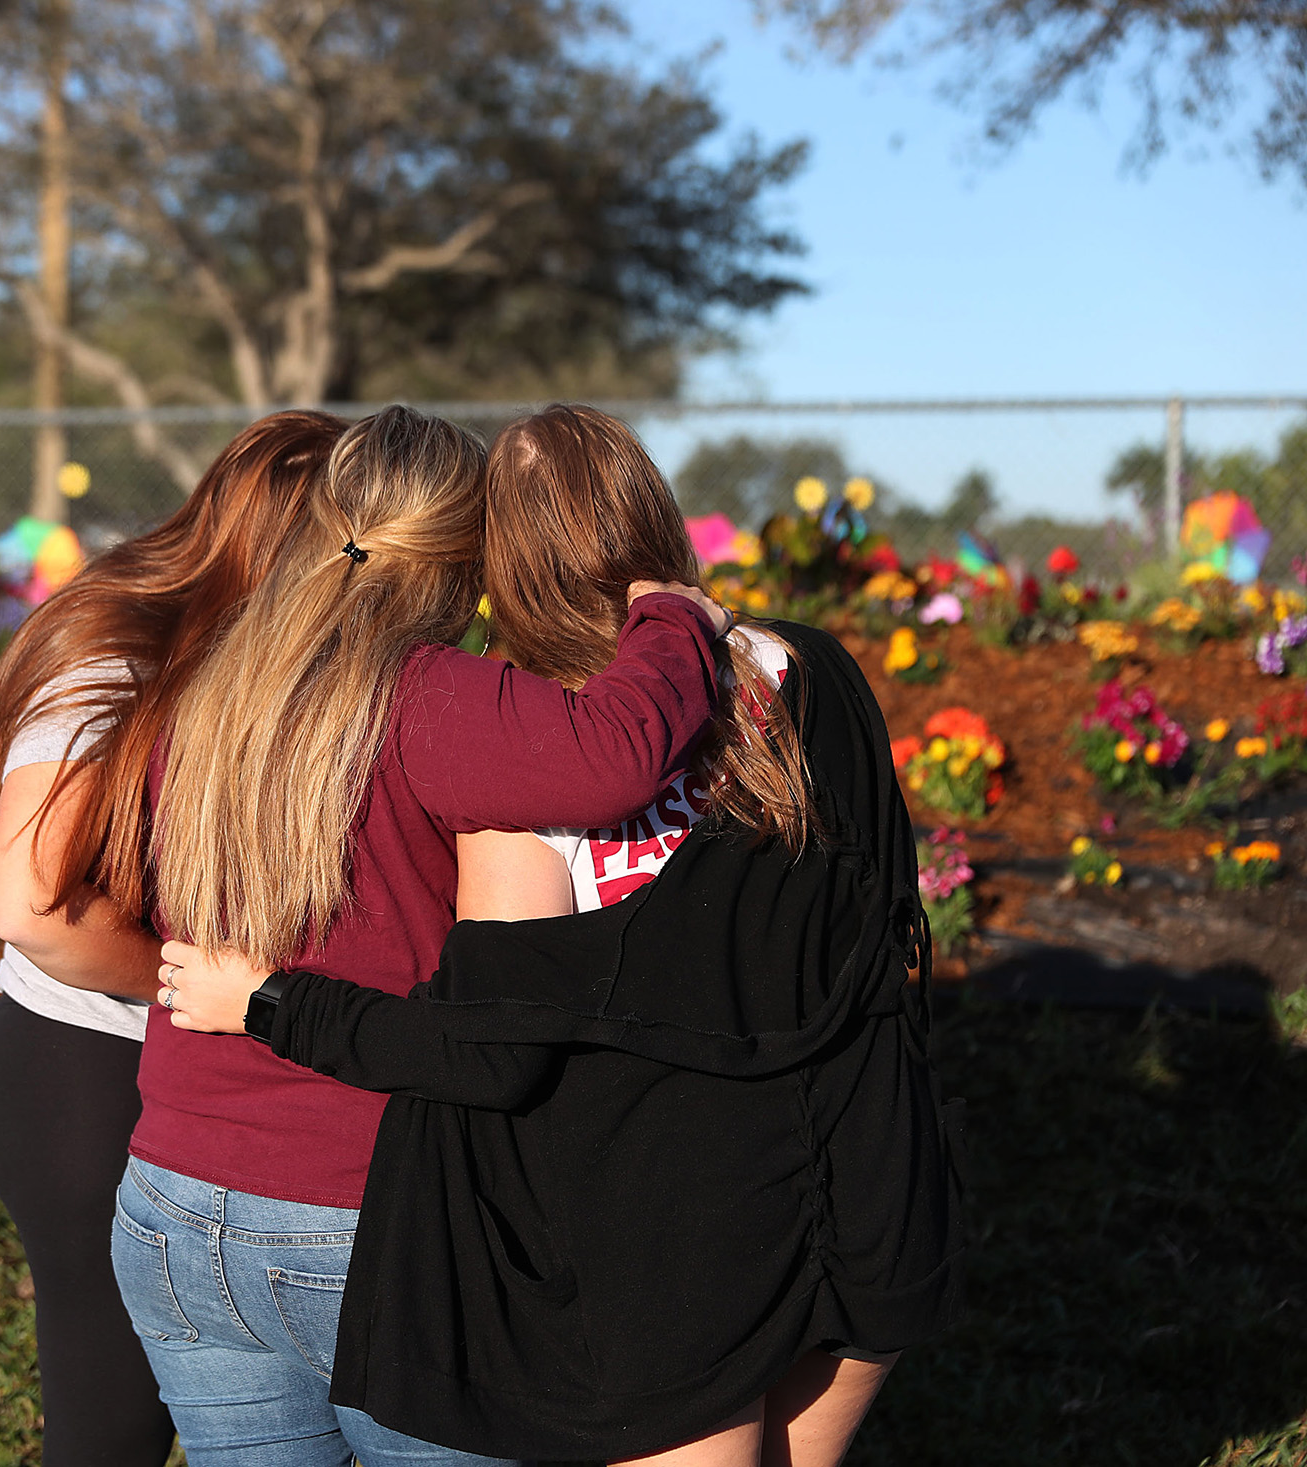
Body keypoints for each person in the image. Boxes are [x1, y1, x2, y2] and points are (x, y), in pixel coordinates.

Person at [157, 404, 966, 1467]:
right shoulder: (812, 677)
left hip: (674, 1246)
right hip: (867, 1186)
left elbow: (492, 1053)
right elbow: (881, 915)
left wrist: (267, 1000)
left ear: (496, 561)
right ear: (655, 516)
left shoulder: (527, 770)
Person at [110, 406, 731, 1467]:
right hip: (362, 1215)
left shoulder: (208, 685)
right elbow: (619, 753)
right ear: (466, 555)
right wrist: (673, 619)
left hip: (169, 1203)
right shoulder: (436, 697)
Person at [0, 410, 348, 1467]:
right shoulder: (119, 649)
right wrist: (184, 982)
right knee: (110, 1429)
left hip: (153, 1070)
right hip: (80, 1069)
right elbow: (29, 900)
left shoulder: (240, 654)